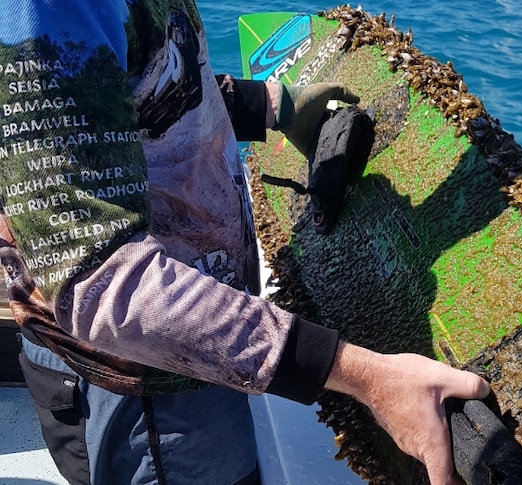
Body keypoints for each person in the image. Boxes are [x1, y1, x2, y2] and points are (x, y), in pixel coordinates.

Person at [0, 2, 489, 484]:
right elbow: (107, 292)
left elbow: (134, 86)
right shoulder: (42, 11)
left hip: (197, 343)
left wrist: (272, 107)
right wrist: (367, 378)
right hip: (143, 391)